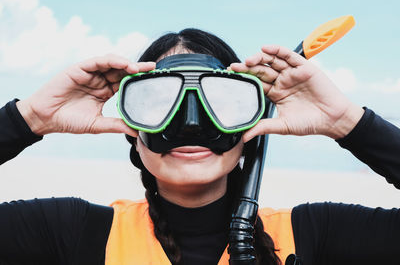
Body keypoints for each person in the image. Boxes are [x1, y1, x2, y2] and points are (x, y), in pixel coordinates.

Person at [0, 28, 399, 265]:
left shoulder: (312, 234)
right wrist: (29, 118)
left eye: (220, 102)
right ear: (131, 129)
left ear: (253, 122)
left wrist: (349, 123)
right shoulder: (71, 232)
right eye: (159, 102)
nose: (191, 124)